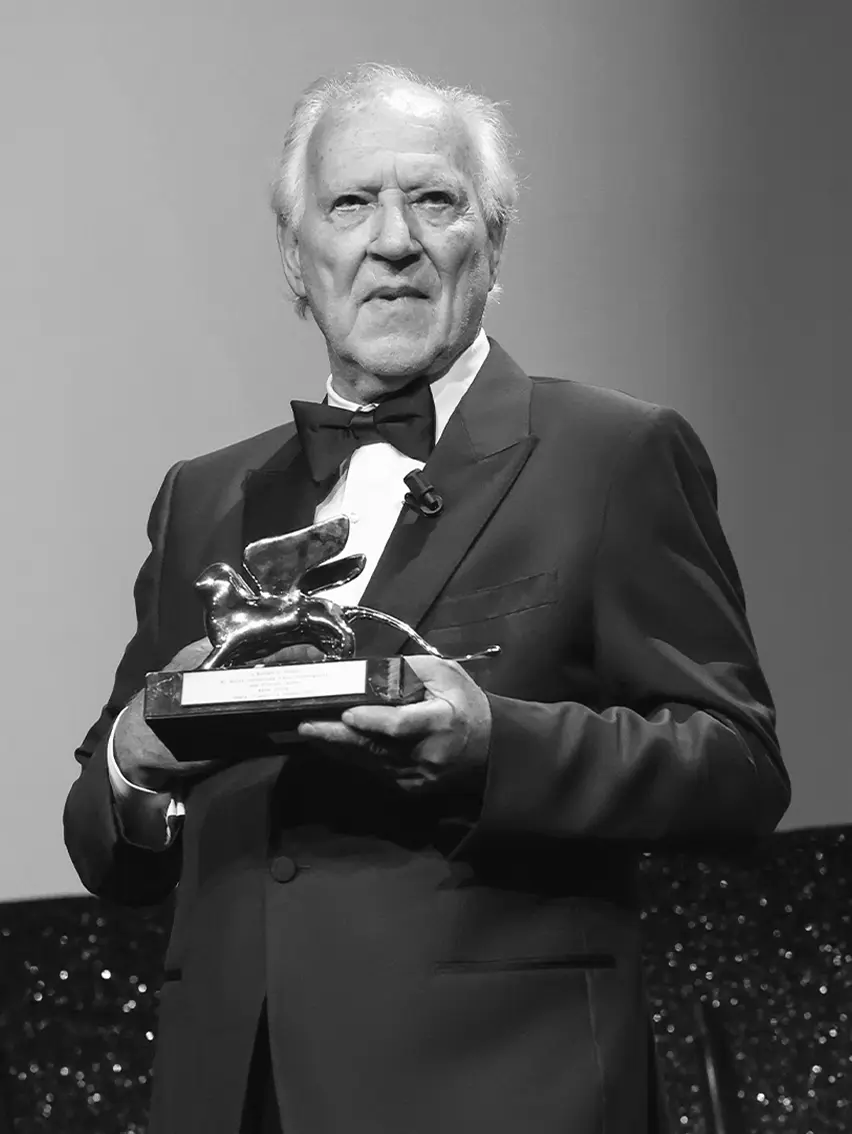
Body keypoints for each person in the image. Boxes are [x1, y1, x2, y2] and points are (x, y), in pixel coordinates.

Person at [64, 64, 790, 1134]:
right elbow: (102, 835)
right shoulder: (204, 497)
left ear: (489, 247)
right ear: (294, 261)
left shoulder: (611, 456)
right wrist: (134, 764)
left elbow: (735, 766)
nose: (392, 239)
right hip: (235, 1094)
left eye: (435, 200)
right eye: (352, 203)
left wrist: (498, 745)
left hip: (500, 1090)